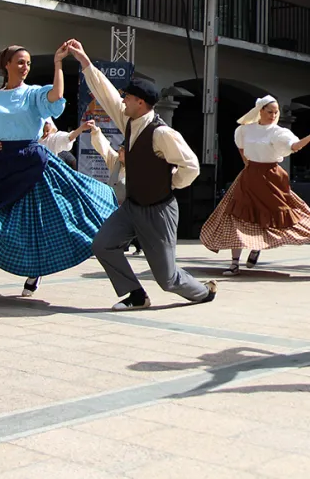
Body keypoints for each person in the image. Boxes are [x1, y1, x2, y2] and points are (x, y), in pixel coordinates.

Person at [0, 44, 118, 307]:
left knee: (39, 221)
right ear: (7, 65)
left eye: (29, 63)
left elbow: (56, 96)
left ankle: (35, 271)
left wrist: (57, 63)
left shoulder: (33, 94)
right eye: (20, 62)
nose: (25, 67)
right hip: (2, 165)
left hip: (33, 162)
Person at [68, 39, 217, 310]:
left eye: (127, 97)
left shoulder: (161, 133)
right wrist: (85, 62)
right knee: (103, 245)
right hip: (132, 207)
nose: (122, 99)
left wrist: (170, 183)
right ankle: (136, 295)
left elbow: (191, 166)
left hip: (159, 211)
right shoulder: (128, 119)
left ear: (140, 102)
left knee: (167, 279)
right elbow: (106, 93)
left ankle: (203, 292)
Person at [200, 95, 310, 276]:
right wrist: (249, 165)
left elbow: (294, 146)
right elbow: (242, 149)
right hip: (250, 176)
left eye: (276, 112)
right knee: (238, 215)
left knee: (273, 214)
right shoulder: (245, 130)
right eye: (270, 112)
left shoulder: (278, 132)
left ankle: (256, 247)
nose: (273, 115)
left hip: (271, 176)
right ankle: (234, 263)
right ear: (260, 111)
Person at [86, 121, 140, 255]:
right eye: (120, 149)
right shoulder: (115, 161)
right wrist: (95, 131)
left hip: (130, 208)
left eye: (122, 150)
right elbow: (104, 148)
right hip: (113, 207)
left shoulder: (139, 168)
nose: (119, 152)